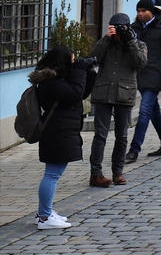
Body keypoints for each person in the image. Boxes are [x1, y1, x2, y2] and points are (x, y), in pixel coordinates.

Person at [31, 45, 96, 229]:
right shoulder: (51, 83)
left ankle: (45, 212)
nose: (74, 64)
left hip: (60, 131)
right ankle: (44, 217)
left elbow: (80, 93)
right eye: (72, 61)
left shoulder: (56, 80)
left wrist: (89, 73)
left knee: (53, 173)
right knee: (52, 174)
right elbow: (74, 94)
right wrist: (80, 71)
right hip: (57, 133)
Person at [87, 13, 147, 187]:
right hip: (103, 93)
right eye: (115, 27)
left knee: (122, 136)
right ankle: (96, 173)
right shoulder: (106, 43)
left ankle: (118, 172)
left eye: (121, 27)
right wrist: (106, 38)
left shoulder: (138, 44)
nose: (119, 31)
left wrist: (130, 42)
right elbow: (93, 57)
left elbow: (141, 62)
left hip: (124, 94)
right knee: (100, 135)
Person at [127, 0, 161, 161]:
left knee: (144, 112)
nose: (140, 14)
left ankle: (134, 149)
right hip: (138, 75)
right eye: (138, 11)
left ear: (151, 12)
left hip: (154, 76)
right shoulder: (134, 29)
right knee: (153, 112)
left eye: (144, 11)